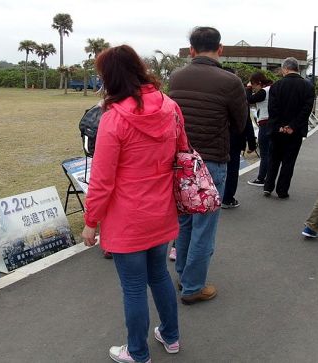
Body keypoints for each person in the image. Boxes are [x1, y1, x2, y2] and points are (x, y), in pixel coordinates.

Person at [81, 45, 187, 363]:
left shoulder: (114, 120)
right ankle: (170, 336)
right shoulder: (170, 106)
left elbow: (102, 181)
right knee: (159, 276)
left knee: (133, 287)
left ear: (109, 78)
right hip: (162, 210)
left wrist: (90, 221)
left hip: (128, 218)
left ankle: (138, 352)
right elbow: (182, 152)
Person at [168, 27, 247, 304]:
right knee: (204, 227)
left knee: (184, 223)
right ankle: (192, 287)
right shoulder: (231, 81)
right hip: (211, 162)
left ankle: (183, 276)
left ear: (191, 50)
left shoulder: (176, 77)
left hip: (179, 162)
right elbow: (240, 123)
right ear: (220, 49)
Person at [263, 57, 315, 199]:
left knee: (274, 159)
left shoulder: (276, 85)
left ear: (285, 68)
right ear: (297, 68)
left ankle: (268, 187)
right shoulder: (308, 87)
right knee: (289, 161)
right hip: (295, 131)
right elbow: (306, 110)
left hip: (277, 130)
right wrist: (292, 126)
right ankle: (282, 190)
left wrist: (280, 126)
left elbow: (272, 109)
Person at [222, 68, 257, 208]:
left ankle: (211, 197)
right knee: (232, 168)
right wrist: (252, 143)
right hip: (234, 138)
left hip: (214, 137)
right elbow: (246, 121)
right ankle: (228, 198)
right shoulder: (239, 94)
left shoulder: (213, 91)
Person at [247, 72, 273, 187]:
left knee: (265, 154)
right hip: (273, 124)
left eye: (253, 85)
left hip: (265, 124)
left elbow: (249, 99)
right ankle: (268, 178)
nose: (253, 87)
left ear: (259, 83)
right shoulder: (272, 88)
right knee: (270, 153)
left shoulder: (264, 91)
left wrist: (247, 88)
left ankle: (261, 178)